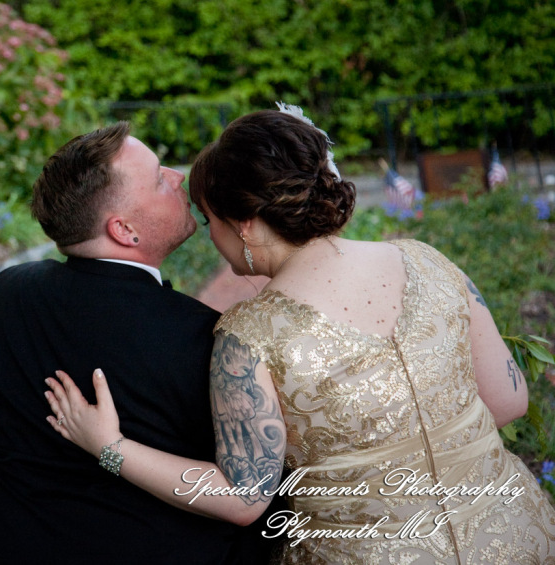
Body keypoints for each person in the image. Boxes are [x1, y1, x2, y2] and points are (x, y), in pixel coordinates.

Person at [43, 107, 555, 563]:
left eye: (209, 218)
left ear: (243, 223)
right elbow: (508, 401)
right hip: (514, 536)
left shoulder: (249, 336)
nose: (211, 234)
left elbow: (245, 499)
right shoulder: (427, 260)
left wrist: (110, 446)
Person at [0, 122, 277, 564]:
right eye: (159, 179)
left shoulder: (7, 293)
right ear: (124, 230)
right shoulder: (206, 337)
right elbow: (248, 497)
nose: (178, 176)